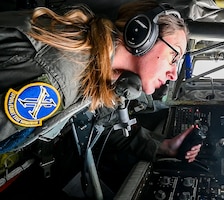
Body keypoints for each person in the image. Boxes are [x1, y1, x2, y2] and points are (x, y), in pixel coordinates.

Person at [0, 0, 201, 183]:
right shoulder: (61, 78)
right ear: (142, 34)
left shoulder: (96, 64)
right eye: (174, 56)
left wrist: (164, 147)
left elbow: (108, 118)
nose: (174, 74)